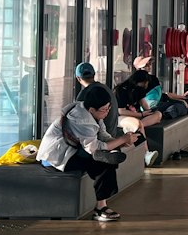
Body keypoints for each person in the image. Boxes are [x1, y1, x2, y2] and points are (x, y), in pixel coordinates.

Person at [36, 82, 140, 222]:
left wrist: (120, 142)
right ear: (92, 109)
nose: (107, 112)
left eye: (108, 108)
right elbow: (94, 147)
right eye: (104, 109)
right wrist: (121, 139)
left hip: (75, 149)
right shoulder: (81, 118)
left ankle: (101, 206)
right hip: (57, 156)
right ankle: (100, 208)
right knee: (102, 161)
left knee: (106, 157)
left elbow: (102, 135)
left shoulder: (94, 114)